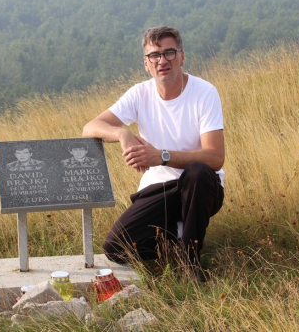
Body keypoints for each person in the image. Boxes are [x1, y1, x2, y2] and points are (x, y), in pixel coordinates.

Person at [82, 26, 225, 275]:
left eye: (169, 53)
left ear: (182, 56)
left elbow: (215, 157)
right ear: (146, 64)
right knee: (115, 248)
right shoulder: (140, 93)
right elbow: (90, 128)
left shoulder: (204, 92)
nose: (162, 61)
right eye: (154, 56)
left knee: (198, 171)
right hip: (159, 190)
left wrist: (162, 156)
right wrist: (122, 133)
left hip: (201, 189)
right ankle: (176, 238)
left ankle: (191, 262)